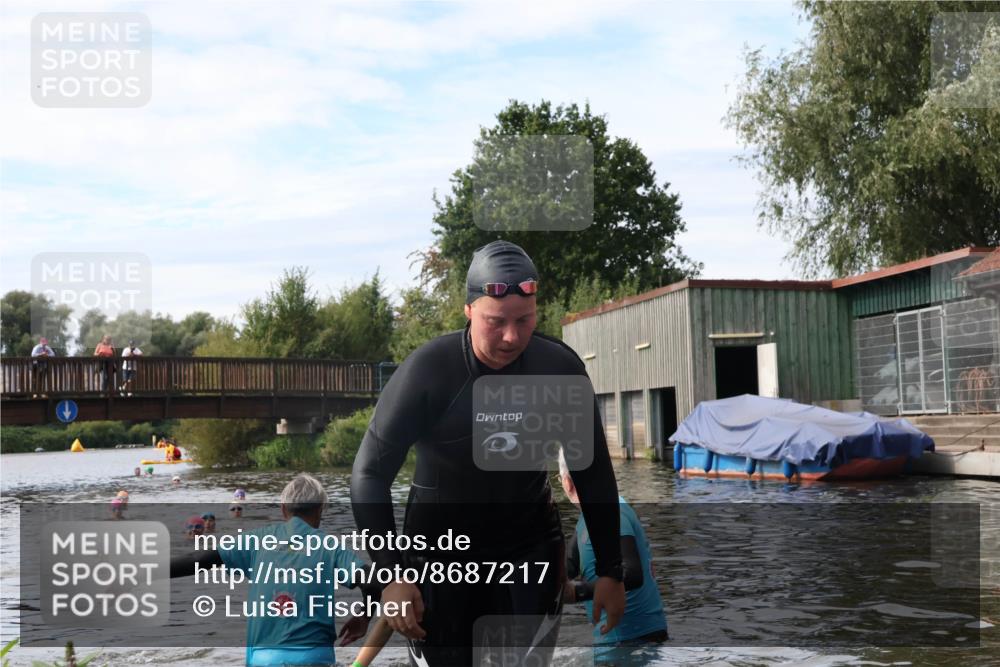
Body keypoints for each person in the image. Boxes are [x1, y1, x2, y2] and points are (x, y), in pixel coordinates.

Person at [351, 240, 625, 666]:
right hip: (437, 556)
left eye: (525, 320)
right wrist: (391, 576)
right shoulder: (428, 371)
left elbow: (593, 475)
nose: (512, 336)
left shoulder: (560, 371)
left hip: (528, 549)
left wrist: (609, 570)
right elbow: (369, 474)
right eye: (496, 322)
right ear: (469, 312)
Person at [170, 473, 379, 666]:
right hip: (316, 659)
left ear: (283, 509)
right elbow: (372, 581)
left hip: (264, 659)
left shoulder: (257, 540)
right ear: (319, 510)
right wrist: (364, 617)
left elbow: (199, 559)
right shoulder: (330, 546)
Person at [558, 449, 667, 665]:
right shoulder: (589, 518)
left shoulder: (612, 513)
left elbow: (633, 574)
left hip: (633, 643)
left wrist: (578, 592)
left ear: (567, 483)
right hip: (625, 642)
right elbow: (564, 569)